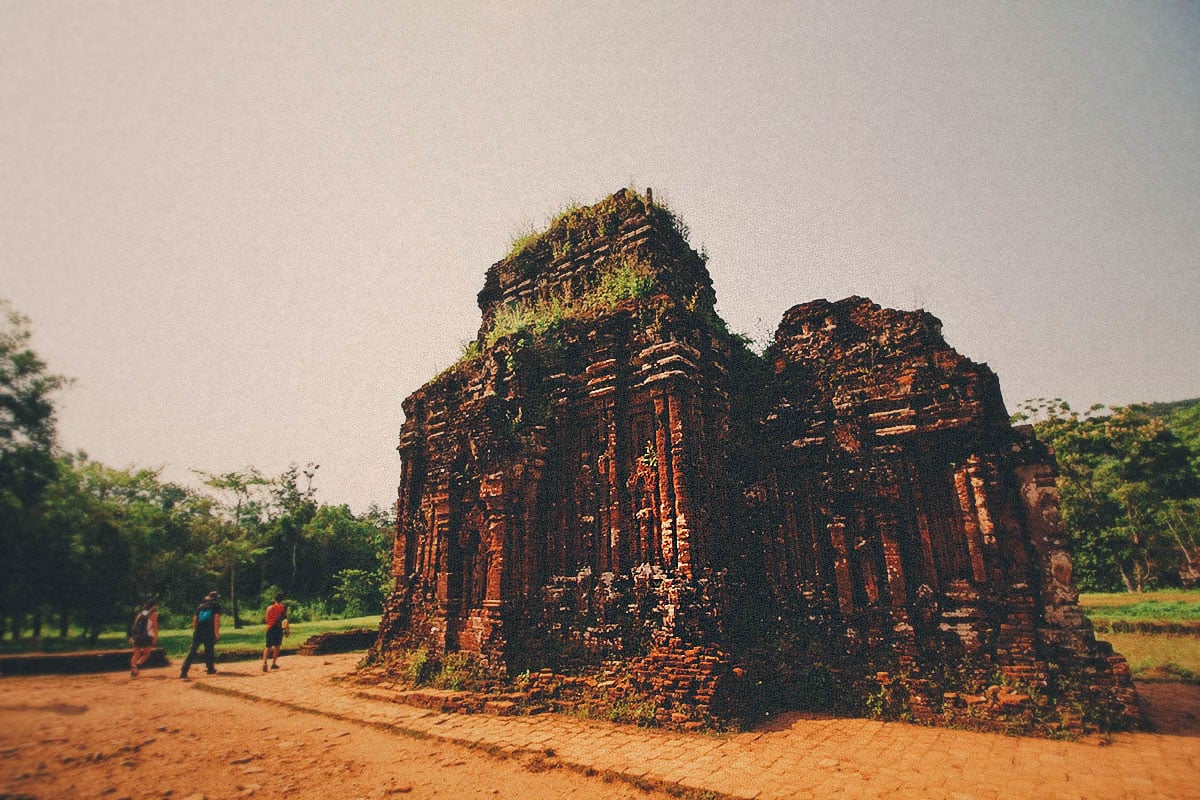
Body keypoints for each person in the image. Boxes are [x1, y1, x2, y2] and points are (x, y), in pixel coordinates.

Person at [180, 590, 222, 680]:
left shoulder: (201, 606)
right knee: (209, 649)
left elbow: (195, 619)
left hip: (199, 630)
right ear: (216, 598)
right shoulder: (216, 606)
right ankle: (210, 669)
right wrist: (216, 633)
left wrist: (195, 630)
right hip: (209, 631)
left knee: (192, 650)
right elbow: (216, 620)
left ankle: (184, 671)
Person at [128, 597, 159, 677]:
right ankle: (136, 666)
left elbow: (135, 626)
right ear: (153, 606)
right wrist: (155, 637)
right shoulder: (154, 615)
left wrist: (132, 637)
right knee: (146, 653)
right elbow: (155, 627)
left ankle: (133, 670)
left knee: (136, 654)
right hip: (147, 636)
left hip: (137, 636)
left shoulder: (140, 614)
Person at [261, 592, 290, 672]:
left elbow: (266, 619)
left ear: (274, 599)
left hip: (270, 628)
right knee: (277, 646)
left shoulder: (269, 608)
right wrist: (287, 630)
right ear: (282, 600)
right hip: (279, 629)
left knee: (268, 646)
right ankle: (273, 663)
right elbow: (286, 620)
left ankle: (264, 663)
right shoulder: (284, 608)